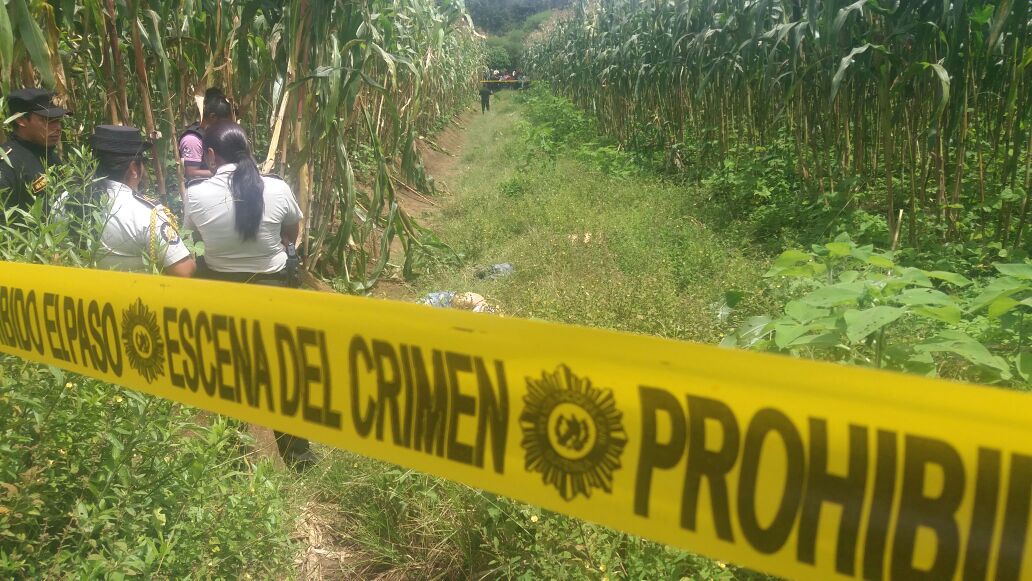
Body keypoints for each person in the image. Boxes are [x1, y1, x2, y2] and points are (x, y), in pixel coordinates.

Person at [184, 120, 315, 469]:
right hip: (273, 292)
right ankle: (300, 460)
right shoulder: (276, 188)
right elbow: (292, 232)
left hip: (221, 295)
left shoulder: (195, 194)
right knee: (282, 376)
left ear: (210, 155)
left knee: (230, 376)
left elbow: (195, 235)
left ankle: (234, 463)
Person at [89, 125, 195, 276]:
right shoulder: (147, 215)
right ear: (133, 168)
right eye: (143, 161)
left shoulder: (65, 200)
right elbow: (185, 271)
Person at [0, 88, 68, 215]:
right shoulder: (7, 164)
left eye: (58, 120)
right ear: (21, 120)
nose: (58, 127)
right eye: (47, 120)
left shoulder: (49, 154)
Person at [178, 88, 233, 181]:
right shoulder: (192, 139)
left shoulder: (215, 135)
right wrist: (225, 173)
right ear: (212, 117)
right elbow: (191, 173)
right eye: (222, 122)